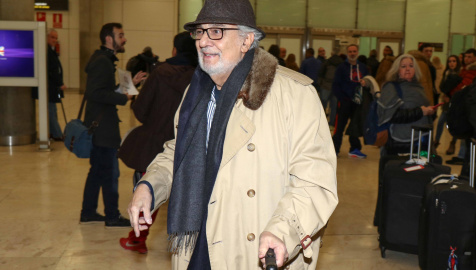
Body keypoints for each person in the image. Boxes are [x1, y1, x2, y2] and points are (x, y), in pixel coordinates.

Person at [127, 0, 338, 268]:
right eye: (200, 32)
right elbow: (177, 152)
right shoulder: (194, 94)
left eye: (216, 31)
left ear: (246, 40)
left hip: (252, 250)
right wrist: (149, 186)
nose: (204, 41)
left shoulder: (294, 95)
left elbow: (315, 181)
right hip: (194, 247)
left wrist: (282, 231)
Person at [117, 31, 198, 254]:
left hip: (154, 144)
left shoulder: (160, 72)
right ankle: (184, 246)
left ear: (174, 50)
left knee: (149, 188)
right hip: (188, 145)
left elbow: (142, 111)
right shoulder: (201, 76)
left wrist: (133, 99)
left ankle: (137, 239)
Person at [80, 23, 146, 227]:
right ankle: (112, 216)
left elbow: (104, 89)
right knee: (109, 172)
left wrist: (130, 84)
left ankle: (88, 212)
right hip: (103, 127)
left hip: (100, 124)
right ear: (109, 39)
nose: (124, 39)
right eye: (120, 35)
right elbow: (95, 93)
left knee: (97, 171)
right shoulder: (103, 62)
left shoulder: (104, 59)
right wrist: (123, 97)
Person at [377, 54, 437, 156]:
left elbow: (423, 108)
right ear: (397, 70)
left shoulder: (419, 87)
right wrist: (420, 111)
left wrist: (430, 111)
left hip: (421, 139)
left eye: (411, 66)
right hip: (399, 142)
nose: (408, 69)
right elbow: (391, 116)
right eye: (403, 66)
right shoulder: (391, 87)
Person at [332, 44, 369, 158]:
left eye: (354, 51)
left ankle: (355, 149)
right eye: (350, 51)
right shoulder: (341, 68)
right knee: (339, 127)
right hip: (344, 101)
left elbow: (369, 81)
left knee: (355, 126)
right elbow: (335, 85)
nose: (352, 53)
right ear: (347, 53)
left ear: (357, 52)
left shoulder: (363, 67)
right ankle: (334, 150)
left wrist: (366, 83)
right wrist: (342, 98)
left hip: (358, 103)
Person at [434, 55, 459, 153]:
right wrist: (444, 95)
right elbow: (442, 86)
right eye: (449, 61)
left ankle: (452, 143)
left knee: (453, 125)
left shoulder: (459, 74)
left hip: (455, 103)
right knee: (440, 122)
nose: (451, 63)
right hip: (446, 103)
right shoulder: (446, 73)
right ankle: (436, 142)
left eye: (454, 61)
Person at [46, 29, 66, 141]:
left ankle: (52, 132)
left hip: (53, 87)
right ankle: (57, 134)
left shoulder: (51, 51)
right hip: (50, 87)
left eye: (56, 38)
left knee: (52, 109)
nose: (54, 40)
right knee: (51, 110)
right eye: (52, 37)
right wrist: (60, 83)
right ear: (47, 37)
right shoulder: (47, 51)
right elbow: (52, 70)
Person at [318, 47, 343, 127]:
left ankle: (322, 123)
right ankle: (332, 124)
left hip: (326, 85)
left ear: (331, 54)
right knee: (334, 106)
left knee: (323, 105)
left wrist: (320, 84)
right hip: (336, 87)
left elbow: (321, 73)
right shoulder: (341, 63)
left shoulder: (327, 62)